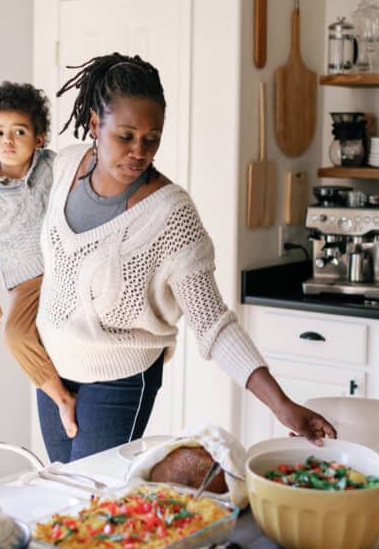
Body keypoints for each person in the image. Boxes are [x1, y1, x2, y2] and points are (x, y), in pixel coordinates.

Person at [35, 53, 336, 462]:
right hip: (51, 369)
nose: (139, 152)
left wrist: (281, 404)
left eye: (152, 138)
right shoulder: (65, 165)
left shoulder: (170, 213)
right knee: (62, 496)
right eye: (125, 136)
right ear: (94, 124)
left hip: (118, 380)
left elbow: (213, 322)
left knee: (94, 500)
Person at [0, 82, 79, 438]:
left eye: (19, 131)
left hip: (69, 267)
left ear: (38, 138)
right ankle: (61, 399)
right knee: (15, 336)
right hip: (28, 284)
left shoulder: (52, 166)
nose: (8, 140)